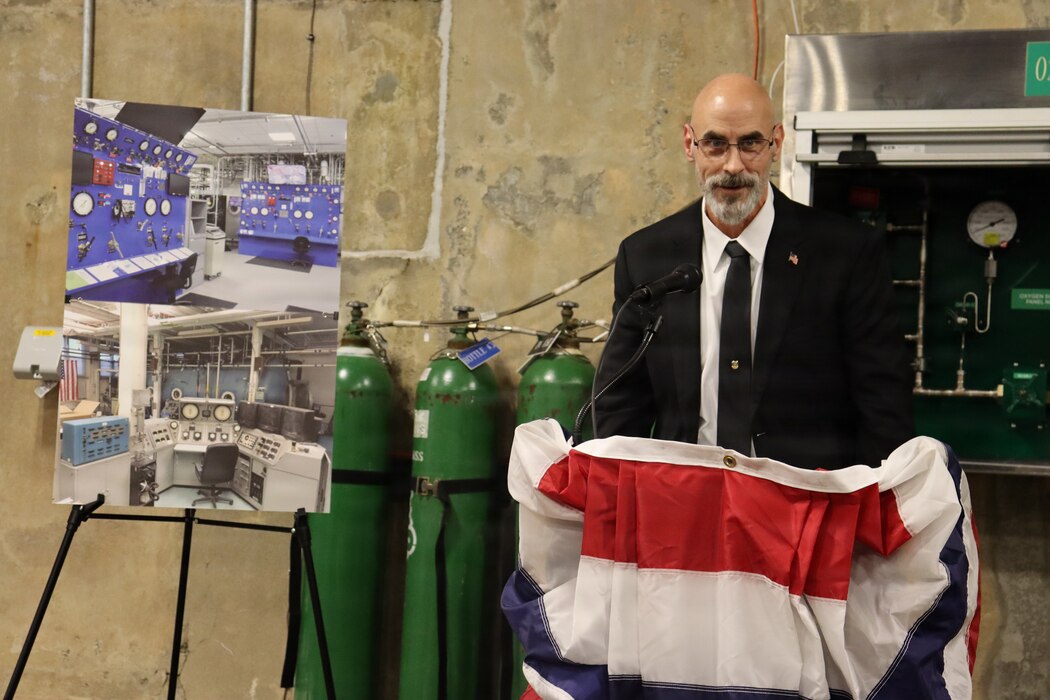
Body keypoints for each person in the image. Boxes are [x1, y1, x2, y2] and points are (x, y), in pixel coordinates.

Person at [593, 73, 914, 470]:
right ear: (689, 144)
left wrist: (866, 509)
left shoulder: (846, 254)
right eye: (714, 144)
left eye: (750, 144)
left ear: (776, 143)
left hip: (803, 505)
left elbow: (883, 400)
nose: (732, 166)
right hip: (683, 501)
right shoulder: (645, 256)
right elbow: (620, 401)